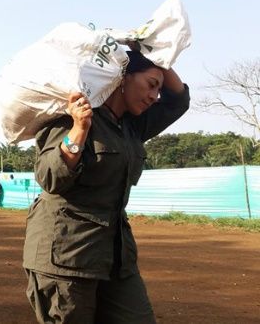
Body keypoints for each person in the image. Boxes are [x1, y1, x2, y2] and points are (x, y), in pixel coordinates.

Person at [23, 50, 189, 324]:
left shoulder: (133, 125)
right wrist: (79, 129)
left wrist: (156, 53)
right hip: (67, 255)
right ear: (122, 77)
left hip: (115, 256)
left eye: (158, 89)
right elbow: (50, 177)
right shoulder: (74, 112)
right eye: (150, 85)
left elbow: (178, 101)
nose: (154, 96)